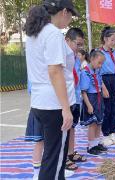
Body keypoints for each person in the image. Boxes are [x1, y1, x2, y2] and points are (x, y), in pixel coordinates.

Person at [25, 0, 79, 179]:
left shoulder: (35, 33)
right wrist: (65, 109)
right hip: (55, 104)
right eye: (71, 15)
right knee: (55, 159)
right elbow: (55, 71)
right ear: (64, 12)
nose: (70, 20)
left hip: (40, 102)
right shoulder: (53, 34)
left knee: (52, 156)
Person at [64, 28, 86, 170]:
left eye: (81, 45)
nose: (79, 48)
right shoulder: (60, 56)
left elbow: (76, 79)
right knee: (64, 129)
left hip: (75, 99)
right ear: (67, 41)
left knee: (72, 128)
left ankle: (71, 152)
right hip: (64, 100)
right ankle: (63, 156)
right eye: (77, 44)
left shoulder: (75, 58)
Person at [80, 50, 109, 155]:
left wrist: (104, 90)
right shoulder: (85, 72)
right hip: (90, 99)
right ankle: (91, 146)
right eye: (99, 63)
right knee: (92, 123)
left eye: (102, 63)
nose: (100, 65)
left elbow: (100, 83)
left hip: (98, 97)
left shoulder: (97, 71)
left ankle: (96, 144)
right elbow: (83, 92)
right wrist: (88, 105)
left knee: (99, 122)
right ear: (92, 59)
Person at [99, 26, 115, 146]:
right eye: (112, 40)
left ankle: (112, 132)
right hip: (105, 80)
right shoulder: (98, 52)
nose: (114, 42)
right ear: (105, 39)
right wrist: (103, 87)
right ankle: (105, 134)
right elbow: (97, 71)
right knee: (106, 109)